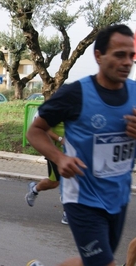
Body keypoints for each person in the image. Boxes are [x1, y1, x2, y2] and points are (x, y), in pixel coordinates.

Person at [26, 24, 136, 266]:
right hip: (83, 199)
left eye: (131, 55)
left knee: (92, 262)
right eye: (119, 55)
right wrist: (59, 157)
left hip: (118, 197)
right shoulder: (75, 94)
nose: (127, 62)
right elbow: (35, 131)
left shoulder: (135, 92)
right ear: (99, 56)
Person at [25, 123, 68, 224]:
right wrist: (60, 139)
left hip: (73, 152)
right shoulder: (57, 110)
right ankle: (34, 189)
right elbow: (44, 129)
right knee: (54, 183)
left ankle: (68, 213)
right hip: (55, 153)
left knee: (71, 181)